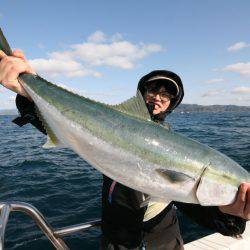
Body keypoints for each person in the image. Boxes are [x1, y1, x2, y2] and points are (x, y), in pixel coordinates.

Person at [0, 50, 249, 250]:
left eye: (167, 95)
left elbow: (190, 201)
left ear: (173, 103)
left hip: (164, 236)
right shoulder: (108, 121)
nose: (159, 98)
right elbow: (70, 127)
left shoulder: (181, 149)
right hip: (118, 236)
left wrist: (230, 215)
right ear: (142, 93)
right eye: (154, 90)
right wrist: (27, 91)